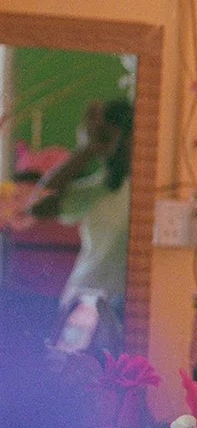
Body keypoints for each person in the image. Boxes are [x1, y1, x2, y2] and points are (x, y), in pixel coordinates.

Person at [25, 94, 133, 356]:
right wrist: (87, 150)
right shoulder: (96, 191)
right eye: (106, 135)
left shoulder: (146, 192)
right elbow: (38, 206)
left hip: (125, 309)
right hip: (84, 304)